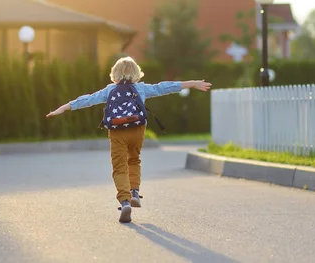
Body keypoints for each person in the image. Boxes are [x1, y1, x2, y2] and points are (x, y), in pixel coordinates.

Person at [46, 56, 212, 223]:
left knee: (119, 166)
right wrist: (193, 83)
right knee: (134, 160)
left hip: (117, 130)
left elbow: (88, 99)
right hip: (137, 129)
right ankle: (134, 192)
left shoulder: (110, 90)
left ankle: (125, 201)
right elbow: (165, 87)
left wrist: (64, 107)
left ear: (115, 73)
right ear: (136, 73)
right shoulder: (141, 88)